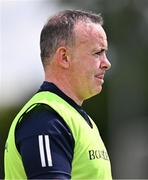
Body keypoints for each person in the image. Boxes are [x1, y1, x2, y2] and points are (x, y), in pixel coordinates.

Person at [4, 9, 112, 179]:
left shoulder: (76, 119)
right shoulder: (45, 120)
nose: (107, 63)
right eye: (98, 52)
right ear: (64, 57)